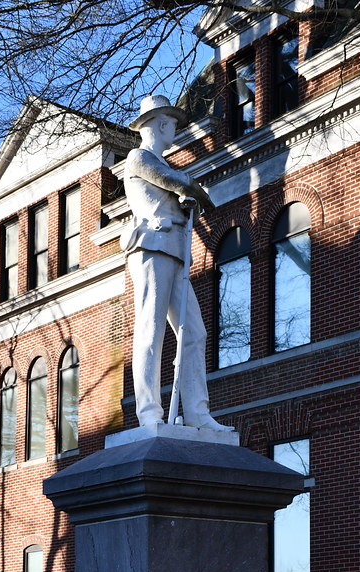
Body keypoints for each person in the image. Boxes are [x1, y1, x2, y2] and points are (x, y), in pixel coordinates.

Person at [121, 95, 233, 431]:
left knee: (194, 333)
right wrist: (191, 192)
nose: (175, 130)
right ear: (158, 124)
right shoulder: (138, 158)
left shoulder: (162, 163)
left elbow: (185, 190)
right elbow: (180, 183)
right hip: (151, 247)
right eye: (171, 124)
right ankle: (149, 413)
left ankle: (198, 413)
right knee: (151, 330)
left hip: (175, 252)